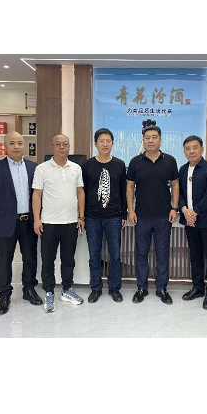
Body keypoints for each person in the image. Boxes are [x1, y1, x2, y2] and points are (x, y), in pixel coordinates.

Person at [0, 131, 41, 315]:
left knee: (30, 258)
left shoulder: (34, 167)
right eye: (12, 143)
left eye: (19, 143)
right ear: (5, 146)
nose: (16, 146)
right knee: (4, 260)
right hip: (5, 222)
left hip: (28, 221)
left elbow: (39, 195)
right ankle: (4, 295)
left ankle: (29, 289)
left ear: (24, 145)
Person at [126, 123, 179, 304]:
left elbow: (175, 185)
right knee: (141, 253)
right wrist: (131, 210)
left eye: (154, 137)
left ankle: (161, 288)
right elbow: (130, 187)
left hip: (164, 217)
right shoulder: (135, 162)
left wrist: (174, 208)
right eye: (147, 138)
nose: (150, 141)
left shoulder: (170, 161)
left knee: (162, 254)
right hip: (141, 216)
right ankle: (141, 288)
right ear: (143, 140)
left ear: (160, 140)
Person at [32, 134, 85, 313]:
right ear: (52, 147)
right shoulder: (42, 169)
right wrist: (37, 219)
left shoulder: (76, 168)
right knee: (48, 260)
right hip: (49, 222)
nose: (62, 147)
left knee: (68, 259)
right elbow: (37, 194)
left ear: (69, 147)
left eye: (65, 144)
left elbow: (80, 192)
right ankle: (49, 291)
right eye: (58, 144)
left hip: (71, 222)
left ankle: (67, 289)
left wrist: (81, 217)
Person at [81, 128, 127, 303]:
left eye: (108, 141)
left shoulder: (119, 164)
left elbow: (123, 191)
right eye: (101, 141)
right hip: (92, 217)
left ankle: (114, 288)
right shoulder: (87, 165)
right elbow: (83, 192)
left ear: (112, 144)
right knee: (94, 255)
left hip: (113, 217)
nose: (105, 144)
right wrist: (82, 216)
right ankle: (96, 288)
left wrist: (124, 214)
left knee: (115, 255)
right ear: (95, 144)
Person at [178, 135, 207, 310]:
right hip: (190, 222)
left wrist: (194, 212)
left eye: (195, 147)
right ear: (184, 151)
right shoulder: (182, 170)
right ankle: (197, 288)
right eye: (188, 148)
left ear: (202, 149)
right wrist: (184, 210)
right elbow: (178, 193)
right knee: (195, 256)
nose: (191, 151)